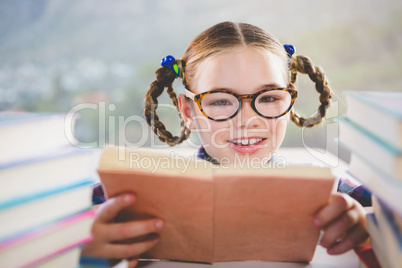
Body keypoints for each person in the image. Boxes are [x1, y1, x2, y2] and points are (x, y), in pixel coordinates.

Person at [81, 22, 371, 267]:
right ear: (187, 112)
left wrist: (372, 233)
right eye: (221, 101)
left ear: (289, 99)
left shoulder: (339, 197)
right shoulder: (113, 201)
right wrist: (86, 255)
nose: (247, 120)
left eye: (269, 98)